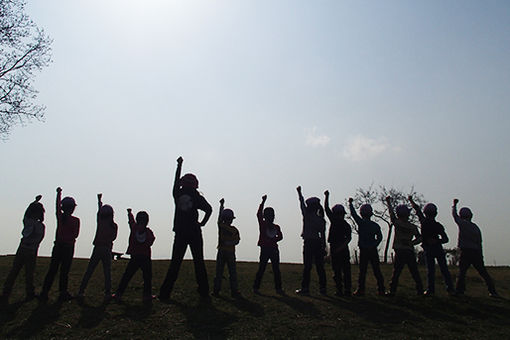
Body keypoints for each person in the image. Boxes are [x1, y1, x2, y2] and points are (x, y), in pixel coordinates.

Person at [159, 157, 213, 300]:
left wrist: (179, 165)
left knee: (175, 263)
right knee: (199, 262)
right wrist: (202, 223)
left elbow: (175, 181)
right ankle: (204, 292)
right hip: (194, 232)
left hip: (181, 232)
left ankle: (165, 293)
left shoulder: (178, 194)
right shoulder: (196, 196)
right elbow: (209, 209)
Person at [1, 195, 46, 304]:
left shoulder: (28, 222)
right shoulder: (39, 226)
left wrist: (34, 201)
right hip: (31, 250)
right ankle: (28, 292)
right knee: (26, 272)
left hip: (24, 248)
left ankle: (7, 291)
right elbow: (39, 239)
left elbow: (26, 214)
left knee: (17, 271)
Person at [40, 187, 80, 302]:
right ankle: (63, 292)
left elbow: (56, 207)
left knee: (52, 269)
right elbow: (76, 235)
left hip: (58, 246)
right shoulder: (76, 220)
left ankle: (45, 291)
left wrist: (58, 194)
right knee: (64, 271)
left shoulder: (61, 217)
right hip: (68, 248)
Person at [409, 196, 454, 296]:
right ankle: (450, 289)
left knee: (431, 270)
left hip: (429, 249)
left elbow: (417, 210)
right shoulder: (438, 225)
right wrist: (437, 241)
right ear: (436, 213)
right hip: (438, 248)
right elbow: (446, 239)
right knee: (444, 269)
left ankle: (431, 290)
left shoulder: (424, 222)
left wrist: (411, 200)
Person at [452, 199, 498, 297]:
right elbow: (479, 242)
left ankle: (459, 291)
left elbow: (454, 216)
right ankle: (492, 291)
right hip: (476, 252)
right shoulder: (476, 227)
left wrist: (454, 205)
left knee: (462, 272)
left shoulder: (462, 224)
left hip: (465, 251)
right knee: (483, 272)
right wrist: (481, 255)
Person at [78, 193, 118, 302]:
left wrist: (99, 201)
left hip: (97, 248)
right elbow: (114, 237)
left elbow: (99, 212)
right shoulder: (114, 226)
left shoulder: (100, 221)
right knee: (107, 272)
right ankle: (108, 293)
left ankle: (81, 291)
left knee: (90, 270)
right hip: (107, 249)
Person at [113, 208, 155, 303]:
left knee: (127, 275)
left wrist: (129, 213)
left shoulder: (134, 228)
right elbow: (151, 241)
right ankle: (147, 295)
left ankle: (119, 294)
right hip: (145, 257)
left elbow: (131, 221)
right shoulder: (148, 232)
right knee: (147, 277)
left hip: (135, 257)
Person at [384, 196, 423, 296]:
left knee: (396, 272)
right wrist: (412, 243)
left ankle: (392, 291)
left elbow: (391, 214)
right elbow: (419, 238)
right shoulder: (412, 226)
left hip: (400, 250)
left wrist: (388, 202)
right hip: (409, 250)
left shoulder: (397, 223)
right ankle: (420, 289)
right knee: (414, 271)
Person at [349, 198, 385, 296]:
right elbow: (380, 237)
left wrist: (350, 204)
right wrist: (375, 244)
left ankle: (361, 290)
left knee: (362, 271)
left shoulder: (361, 223)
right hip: (373, 249)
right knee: (376, 270)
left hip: (364, 250)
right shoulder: (375, 225)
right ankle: (381, 289)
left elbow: (353, 214)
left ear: (361, 213)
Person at [295, 186, 327, 296]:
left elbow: (301, 204)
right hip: (318, 243)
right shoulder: (321, 220)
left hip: (308, 242)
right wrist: (324, 247)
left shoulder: (307, 216)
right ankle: (323, 288)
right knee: (320, 267)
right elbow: (322, 235)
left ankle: (305, 288)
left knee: (307, 266)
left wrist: (299, 193)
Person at [253, 195, 284, 295]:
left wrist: (263, 202)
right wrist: (274, 239)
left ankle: (257, 287)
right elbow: (280, 237)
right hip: (271, 249)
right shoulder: (272, 226)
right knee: (273, 269)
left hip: (267, 249)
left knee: (265, 268)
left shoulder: (265, 225)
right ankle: (278, 288)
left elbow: (258, 214)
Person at [324, 190, 352, 297]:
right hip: (343, 249)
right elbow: (349, 238)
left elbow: (326, 209)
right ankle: (346, 290)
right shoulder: (346, 225)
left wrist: (326, 197)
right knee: (345, 271)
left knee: (337, 271)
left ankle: (340, 290)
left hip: (336, 248)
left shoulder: (334, 221)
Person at [212, 198, 241, 298]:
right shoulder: (234, 230)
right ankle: (234, 291)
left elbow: (219, 217)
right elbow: (237, 241)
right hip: (230, 252)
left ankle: (216, 290)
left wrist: (221, 206)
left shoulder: (221, 226)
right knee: (232, 272)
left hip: (221, 251)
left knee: (219, 272)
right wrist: (230, 243)